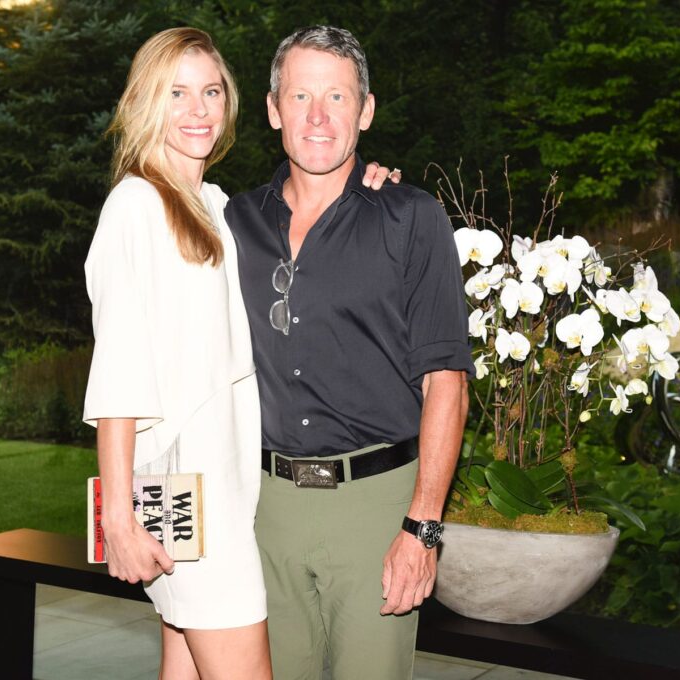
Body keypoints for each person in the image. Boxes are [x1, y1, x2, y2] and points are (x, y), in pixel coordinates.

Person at [81, 27, 394, 680]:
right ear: (146, 102)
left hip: (217, 495)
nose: (198, 109)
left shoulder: (213, 206)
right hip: (185, 501)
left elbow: (295, 217)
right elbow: (119, 372)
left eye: (211, 91)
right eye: (178, 93)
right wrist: (119, 519)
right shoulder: (135, 206)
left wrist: (363, 180)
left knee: (184, 669)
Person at [224, 26, 474, 680]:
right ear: (274, 109)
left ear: (365, 111)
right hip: (264, 510)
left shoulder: (411, 218)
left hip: (377, 507)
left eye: (337, 96)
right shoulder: (233, 226)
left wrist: (422, 528)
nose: (317, 116)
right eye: (300, 95)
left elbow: (446, 380)